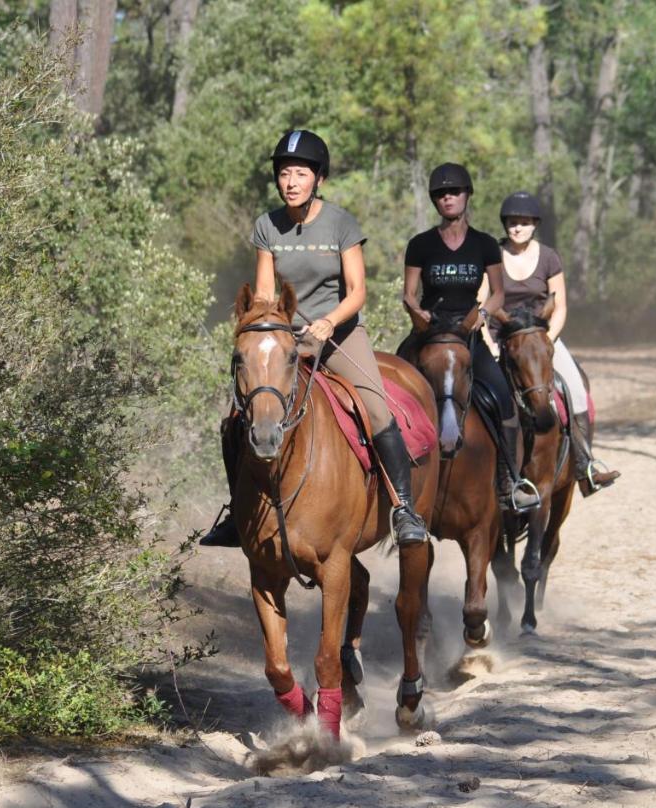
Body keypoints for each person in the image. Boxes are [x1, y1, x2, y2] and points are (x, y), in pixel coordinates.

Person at [200, 130, 429, 547]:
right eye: (284, 174)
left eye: (300, 174)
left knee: (376, 410)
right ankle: (238, 512)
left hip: (340, 336)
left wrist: (328, 321)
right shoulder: (267, 226)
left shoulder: (341, 223)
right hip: (289, 339)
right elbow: (266, 293)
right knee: (235, 418)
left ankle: (403, 509)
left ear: (318, 178)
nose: (290, 182)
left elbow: (358, 290)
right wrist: (270, 329)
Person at [401, 163, 540, 512]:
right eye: (441, 194)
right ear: (435, 200)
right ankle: (393, 482)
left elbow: (497, 294)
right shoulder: (420, 245)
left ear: (467, 196)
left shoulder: (483, 245)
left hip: (468, 335)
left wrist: (481, 316)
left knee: (503, 395)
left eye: (455, 192)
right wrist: (417, 313)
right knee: (390, 392)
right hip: (429, 335)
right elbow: (409, 294)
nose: (448, 197)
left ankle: (509, 479)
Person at [497, 190, 620, 496]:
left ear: (534, 224)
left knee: (576, 391)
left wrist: (546, 342)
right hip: (502, 340)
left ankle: (585, 467)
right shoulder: (493, 254)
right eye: (512, 222)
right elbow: (483, 299)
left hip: (542, 341)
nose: (517, 228)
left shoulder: (549, 257)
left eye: (523, 222)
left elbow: (560, 306)